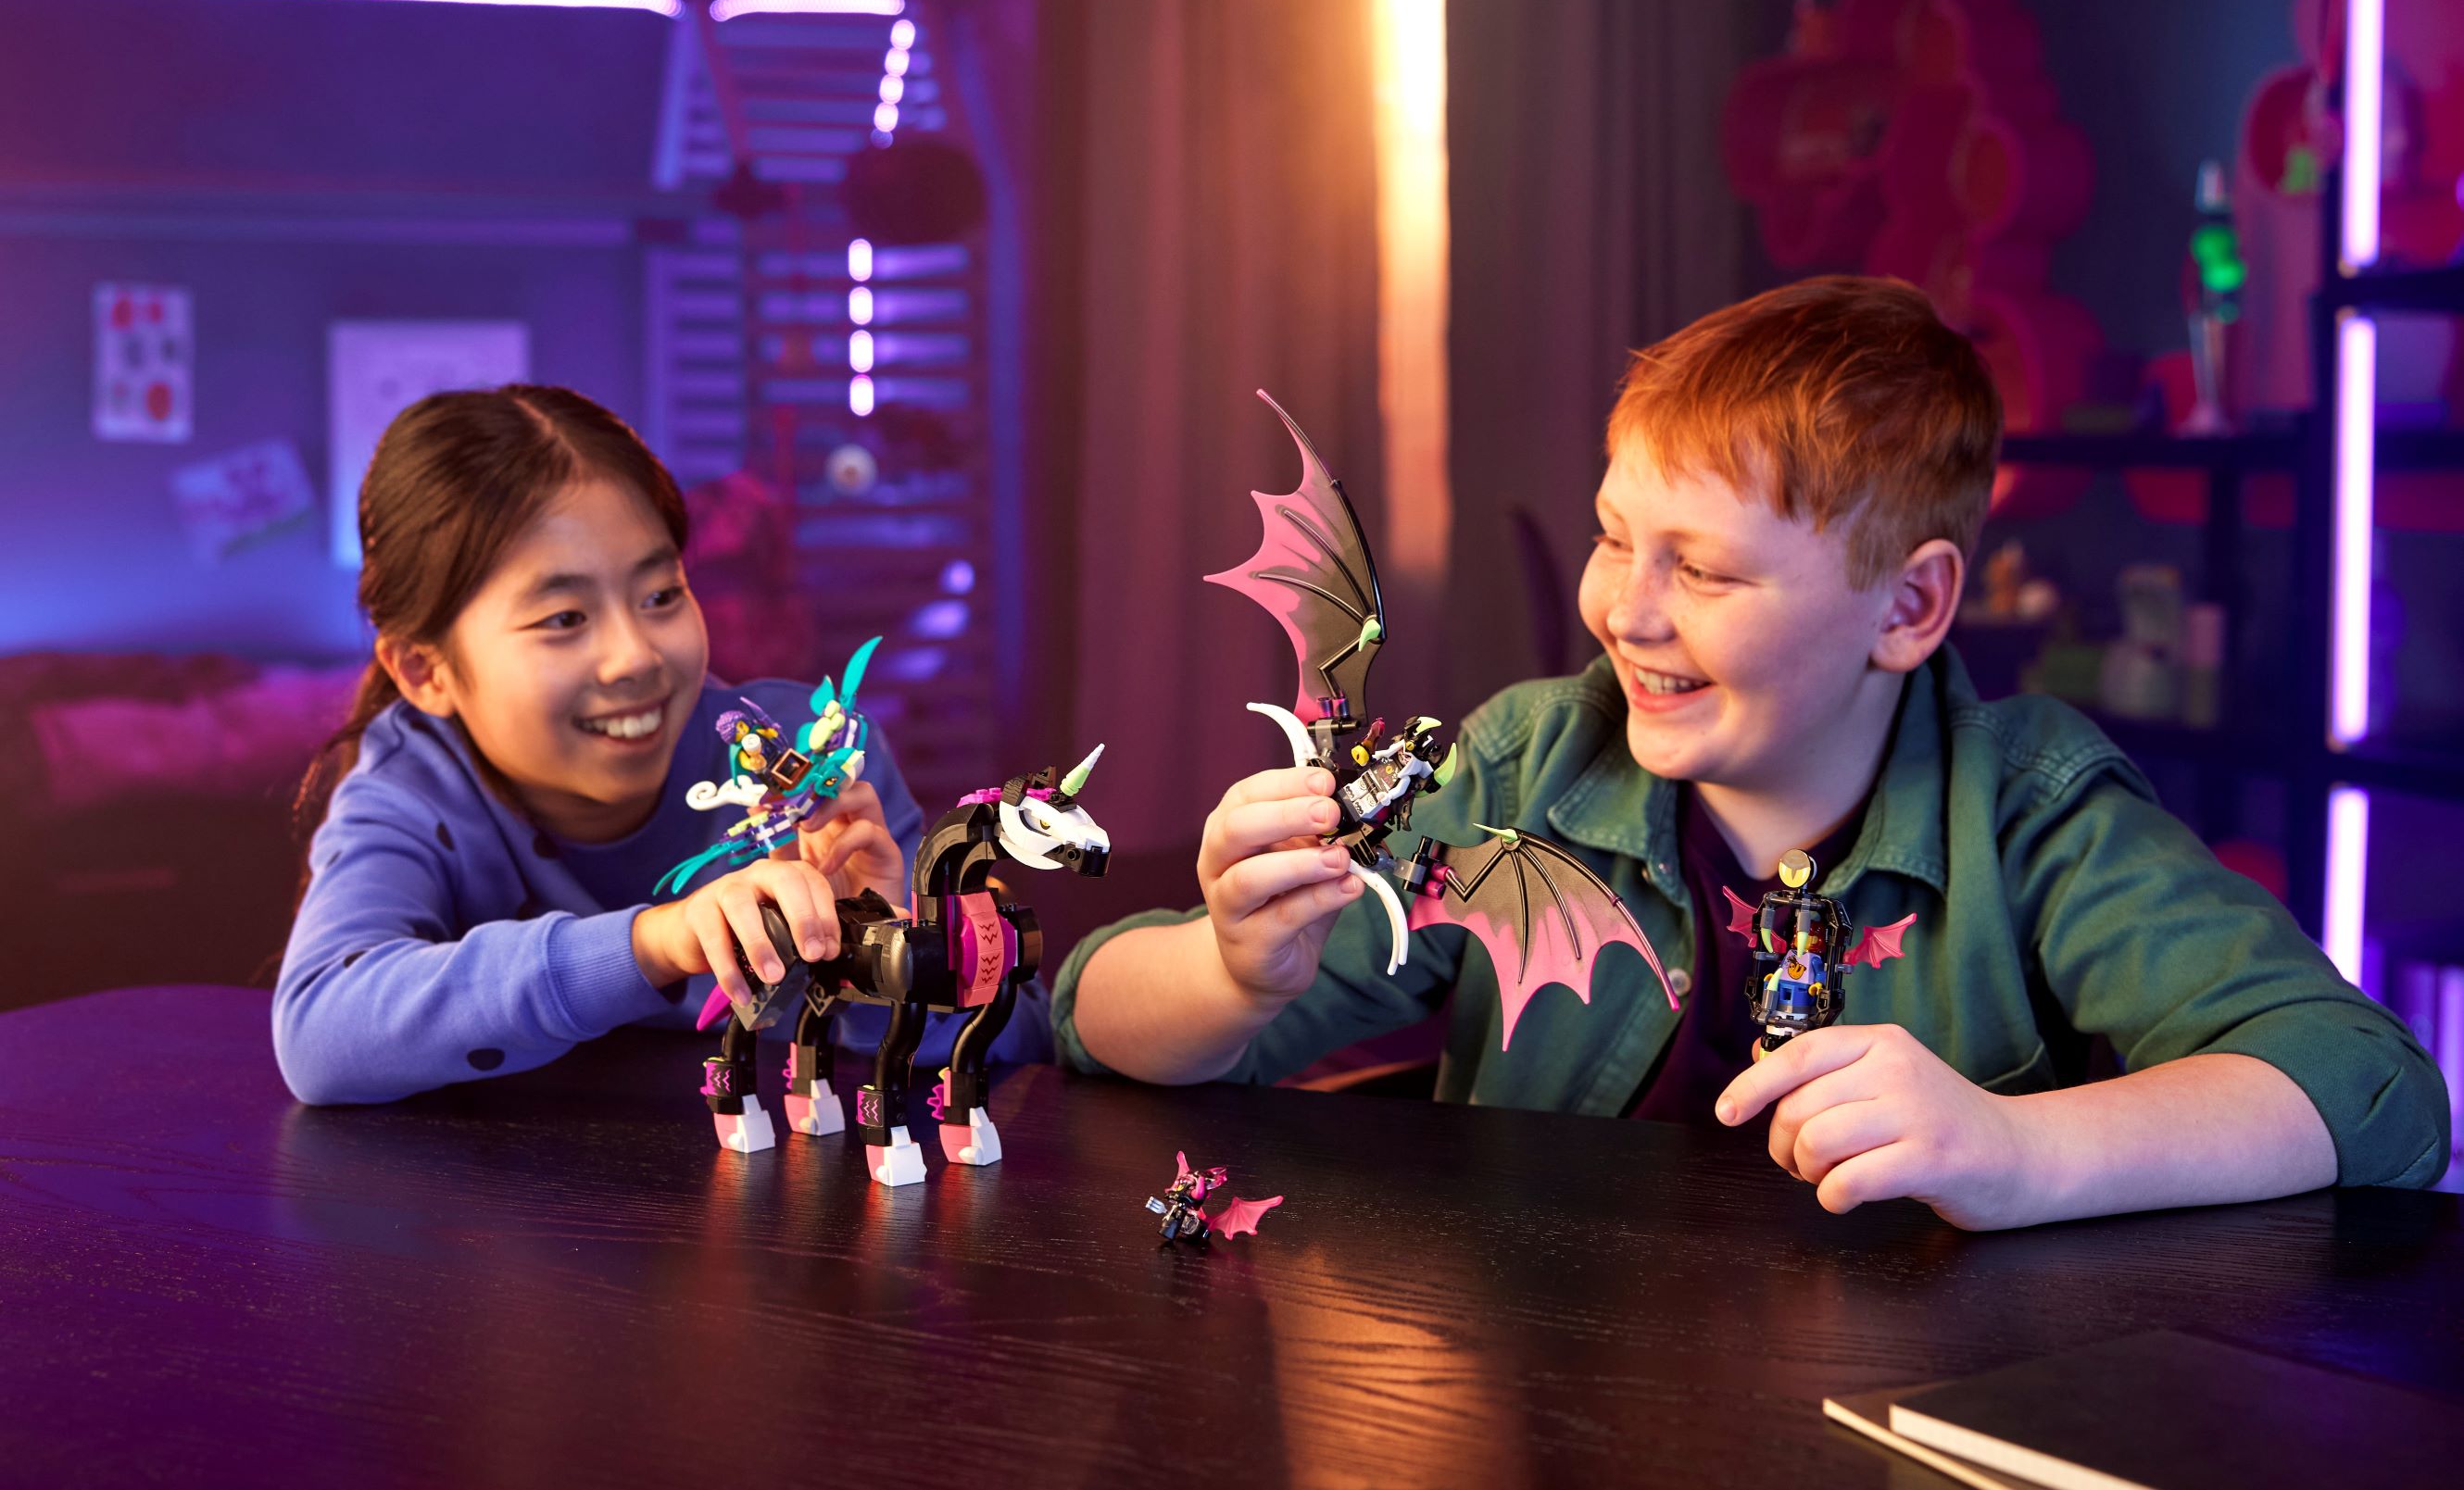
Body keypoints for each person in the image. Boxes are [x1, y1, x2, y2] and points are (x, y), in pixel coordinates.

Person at [1051, 276, 2450, 1229]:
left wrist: (2021, 1149)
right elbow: (1087, 1017)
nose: (1624, 611)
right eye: (1613, 537)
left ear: (1907, 608)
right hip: (1563, 1406)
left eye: (1707, 571)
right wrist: (1229, 974)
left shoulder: (2030, 812)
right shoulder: (1527, 766)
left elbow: (2373, 1087)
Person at [276, 384, 1048, 1106]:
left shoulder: (816, 764)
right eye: (564, 619)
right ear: (425, 669)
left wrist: (880, 956)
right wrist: (654, 942)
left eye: (661, 595)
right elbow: (321, 1030)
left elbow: (1022, 1034)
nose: (637, 656)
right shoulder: (415, 785)